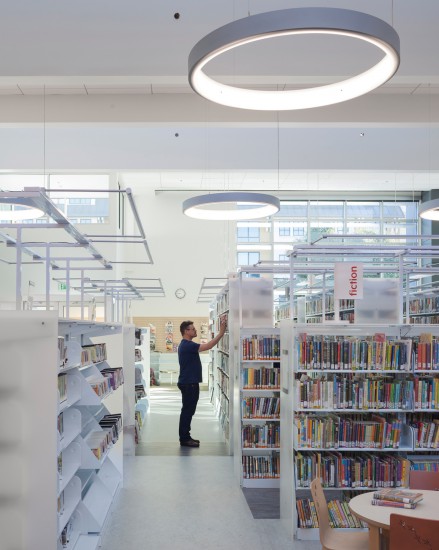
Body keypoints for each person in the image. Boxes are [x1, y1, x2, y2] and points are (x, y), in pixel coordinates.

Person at [177, 317, 227, 447]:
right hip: (189, 384)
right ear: (186, 331)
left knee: (188, 411)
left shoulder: (186, 345)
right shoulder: (187, 345)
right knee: (187, 412)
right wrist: (221, 333)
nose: (195, 331)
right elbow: (208, 346)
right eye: (193, 329)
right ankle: (184, 439)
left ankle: (186, 437)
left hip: (188, 382)